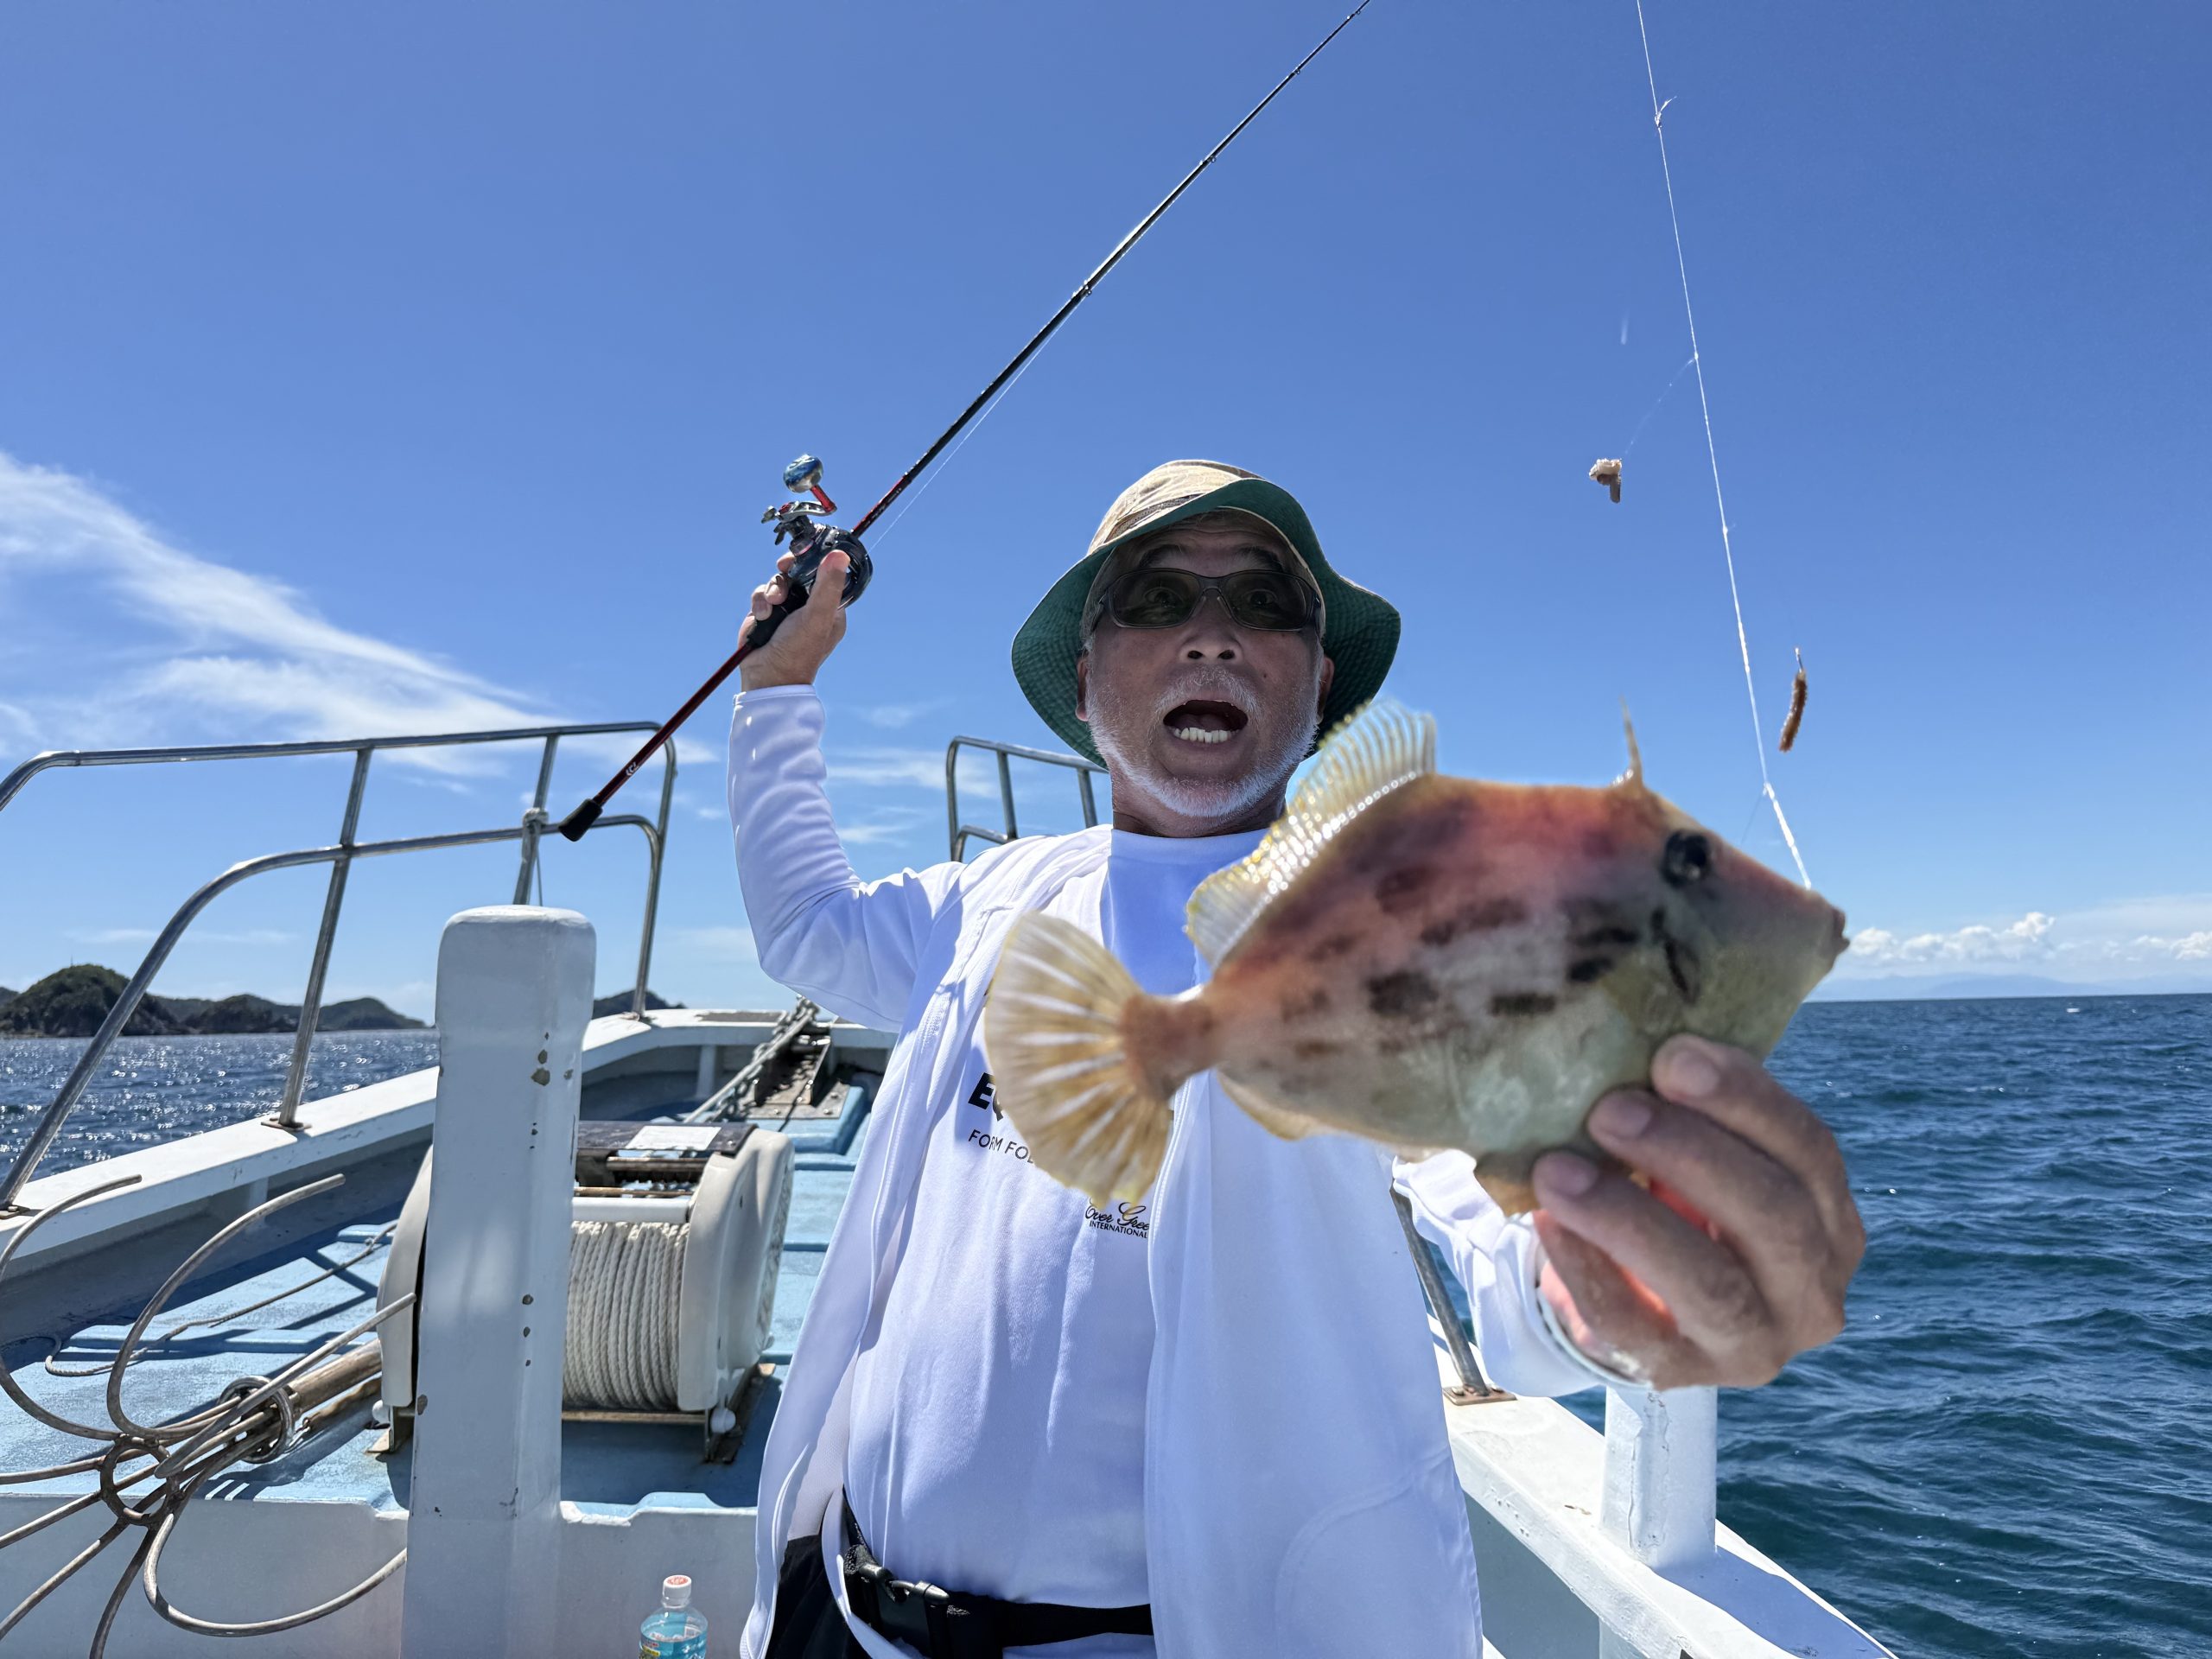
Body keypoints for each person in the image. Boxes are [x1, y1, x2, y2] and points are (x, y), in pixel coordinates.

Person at [728, 461, 1864, 1659]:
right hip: (848, 1610)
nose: (1213, 635)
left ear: (1319, 682)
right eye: (1159, 597)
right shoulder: (998, 893)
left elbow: (1495, 1226)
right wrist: (777, 688)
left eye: (1265, 602)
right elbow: (806, 927)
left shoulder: (1397, 930)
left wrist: (1604, 1277)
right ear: (1086, 673)